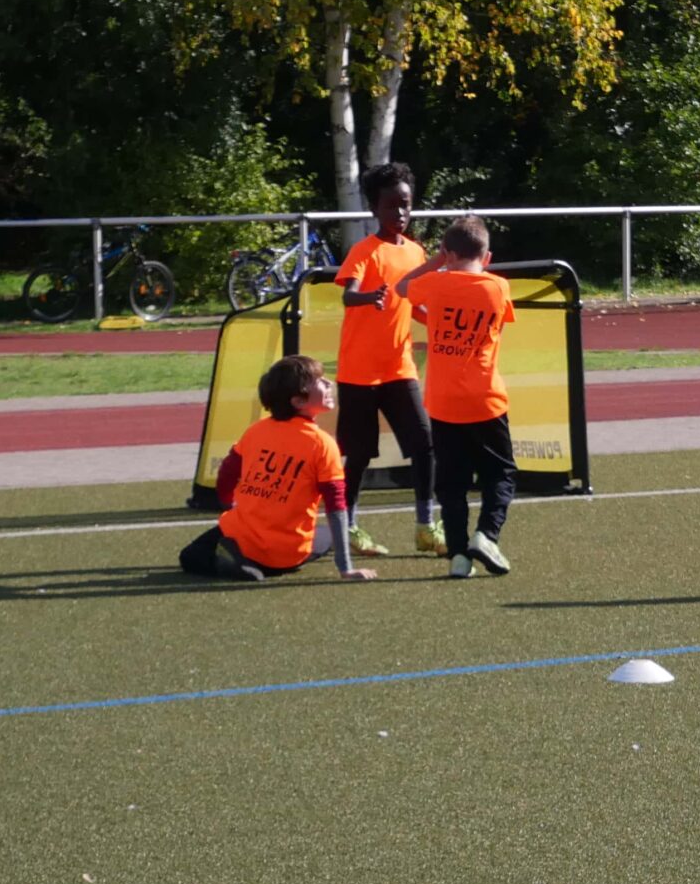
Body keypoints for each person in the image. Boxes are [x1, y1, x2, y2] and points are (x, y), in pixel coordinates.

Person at [178, 355, 377, 584]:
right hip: (288, 554)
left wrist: (228, 504)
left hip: (241, 536)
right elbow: (336, 506)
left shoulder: (256, 431)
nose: (328, 383)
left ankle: (237, 562)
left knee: (190, 556)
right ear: (298, 401)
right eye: (319, 381)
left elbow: (227, 472)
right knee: (327, 535)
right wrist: (346, 568)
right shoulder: (323, 444)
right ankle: (251, 563)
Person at [394, 215, 516, 578]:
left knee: (451, 484)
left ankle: (459, 555)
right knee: (500, 474)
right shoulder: (499, 287)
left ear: (448, 252)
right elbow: (495, 325)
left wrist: (437, 262)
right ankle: (487, 534)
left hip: (444, 402)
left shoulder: (434, 283)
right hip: (485, 399)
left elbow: (402, 287)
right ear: (487, 257)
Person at [331, 161, 442, 557]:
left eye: (406, 204)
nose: (400, 212)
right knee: (359, 455)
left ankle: (425, 526)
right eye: (391, 205)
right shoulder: (364, 250)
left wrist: (440, 323)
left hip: (399, 369)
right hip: (359, 374)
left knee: (425, 445)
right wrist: (369, 297)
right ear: (374, 208)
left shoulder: (416, 252)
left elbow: (416, 305)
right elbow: (349, 294)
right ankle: (350, 528)